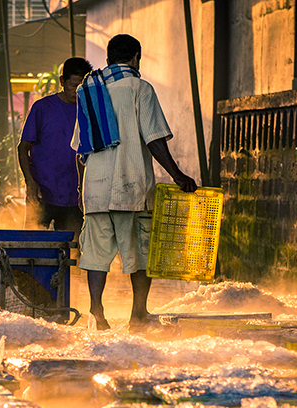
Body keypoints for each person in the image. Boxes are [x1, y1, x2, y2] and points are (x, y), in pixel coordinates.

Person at [73, 34, 197, 331]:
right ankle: (138, 314)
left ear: (108, 58)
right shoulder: (140, 88)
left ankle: (96, 314)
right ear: (135, 57)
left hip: (97, 189)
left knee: (96, 254)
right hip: (132, 187)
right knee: (140, 254)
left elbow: (81, 149)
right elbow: (154, 139)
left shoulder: (89, 90)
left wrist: (82, 190)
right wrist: (178, 175)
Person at [18, 57, 93, 240]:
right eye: (73, 85)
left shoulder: (88, 112)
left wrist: (84, 191)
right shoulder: (42, 108)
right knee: (32, 248)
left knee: (72, 251)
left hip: (74, 199)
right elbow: (22, 148)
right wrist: (30, 182)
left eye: (81, 87)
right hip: (41, 194)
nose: (77, 92)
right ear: (62, 82)